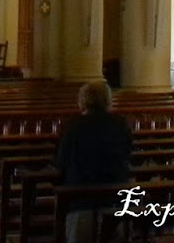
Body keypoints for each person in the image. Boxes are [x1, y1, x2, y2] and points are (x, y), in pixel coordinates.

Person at [53, 79, 132, 243]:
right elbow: (126, 156)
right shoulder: (120, 124)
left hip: (81, 201)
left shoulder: (71, 126)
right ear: (108, 100)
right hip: (115, 199)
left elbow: (61, 163)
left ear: (82, 100)